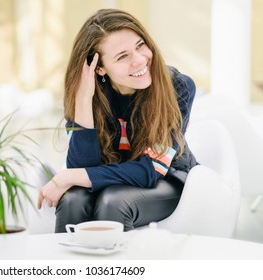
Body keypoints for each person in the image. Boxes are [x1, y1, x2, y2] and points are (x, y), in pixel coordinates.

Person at [37, 8, 198, 233]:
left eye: (140, 45)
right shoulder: (85, 92)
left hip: (168, 180)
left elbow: (151, 169)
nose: (140, 60)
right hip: (109, 178)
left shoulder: (178, 87)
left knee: (113, 202)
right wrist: (84, 99)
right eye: (123, 56)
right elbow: (82, 167)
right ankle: (68, 268)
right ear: (99, 68)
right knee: (73, 200)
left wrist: (70, 176)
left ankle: (121, 269)